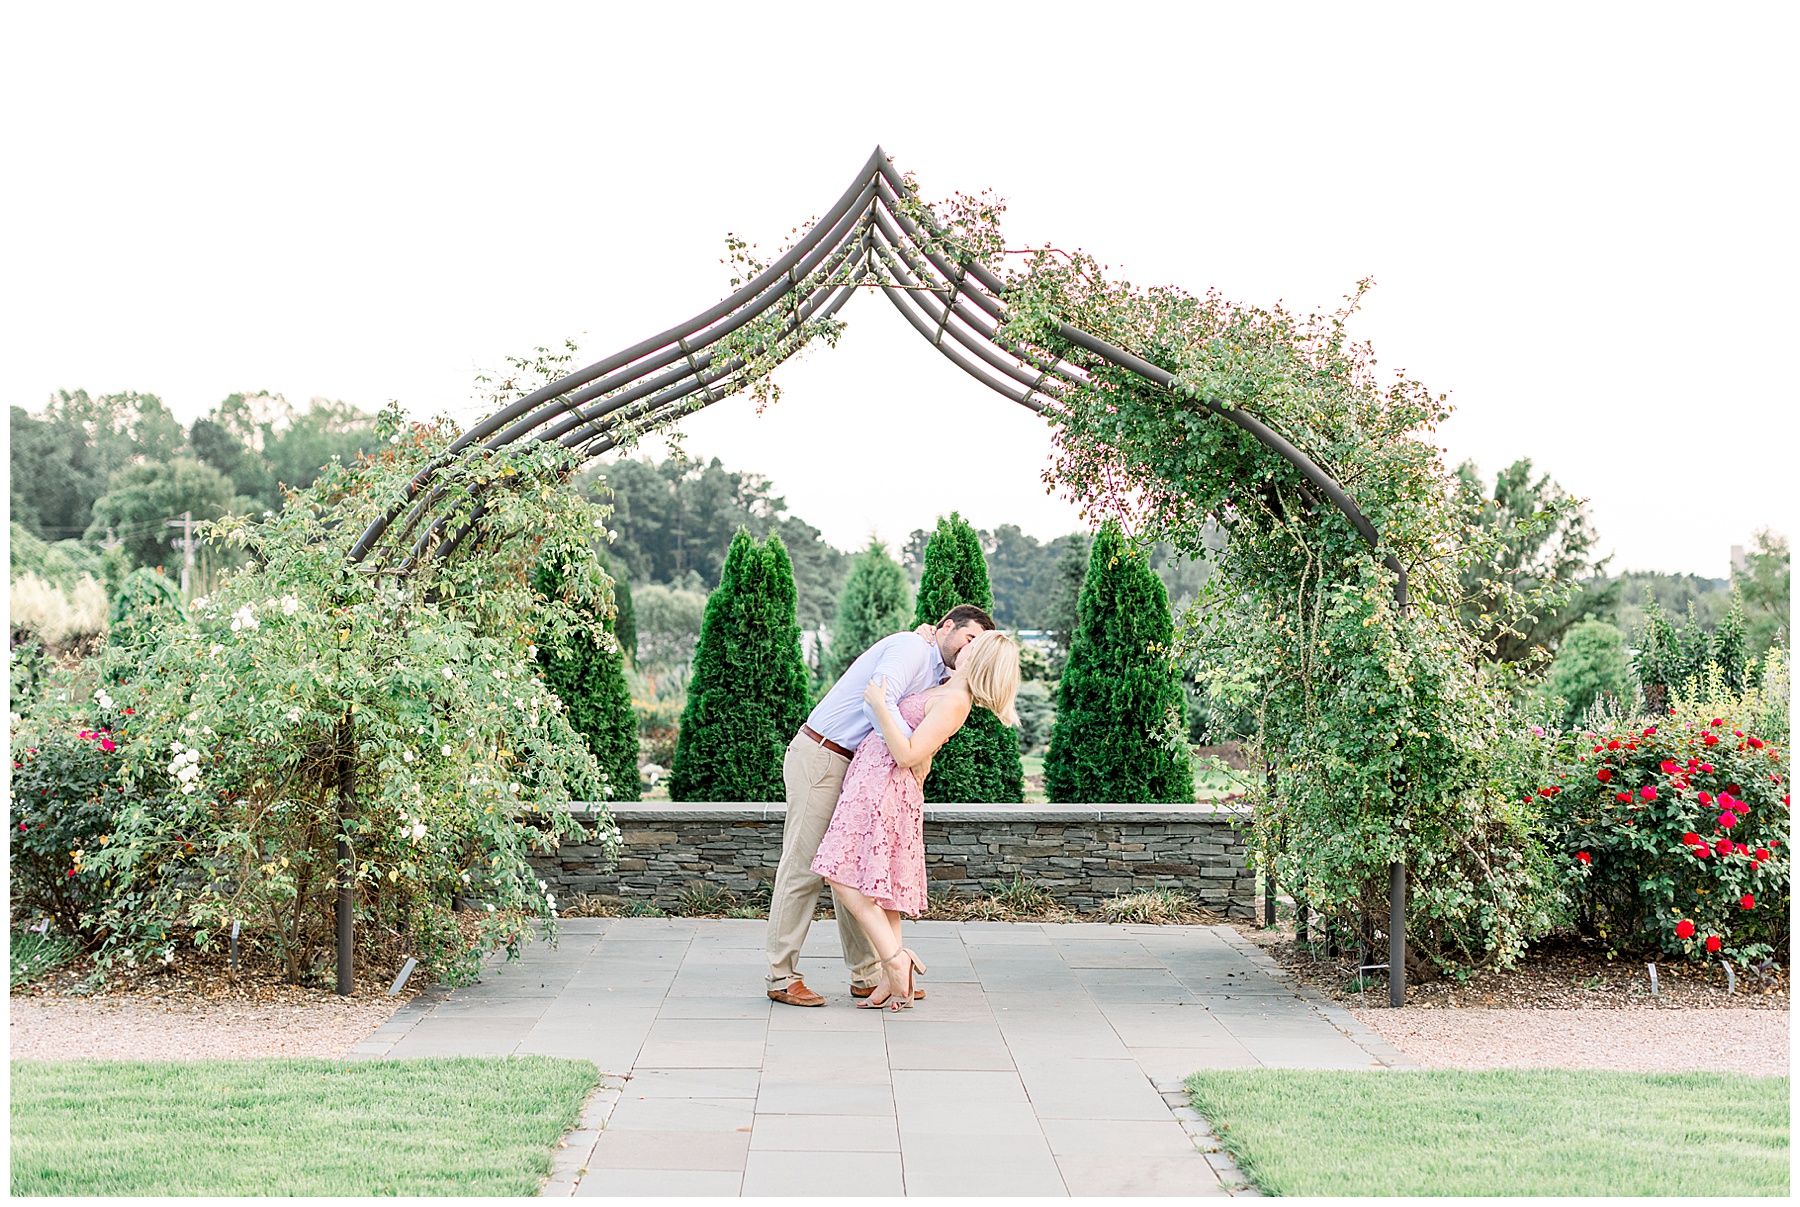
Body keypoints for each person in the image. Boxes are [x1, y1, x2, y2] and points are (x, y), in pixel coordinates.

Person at [764, 605, 996, 1006]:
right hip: (824, 755)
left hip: (860, 768)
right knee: (804, 868)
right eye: (969, 637)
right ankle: (782, 976)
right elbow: (878, 702)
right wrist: (910, 752)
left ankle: (868, 974)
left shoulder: (943, 676)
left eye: (979, 644)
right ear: (945, 627)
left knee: (851, 869)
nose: (970, 648)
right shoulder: (911, 648)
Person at [812, 627, 1020, 1009]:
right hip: (873, 777)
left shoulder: (957, 701)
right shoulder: (946, 686)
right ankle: (895, 981)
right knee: (883, 891)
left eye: (977, 645)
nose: (968, 646)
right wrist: (925, 632)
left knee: (837, 872)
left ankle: (895, 961)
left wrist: (878, 705)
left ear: (982, 660)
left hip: (885, 786)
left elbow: (908, 755)